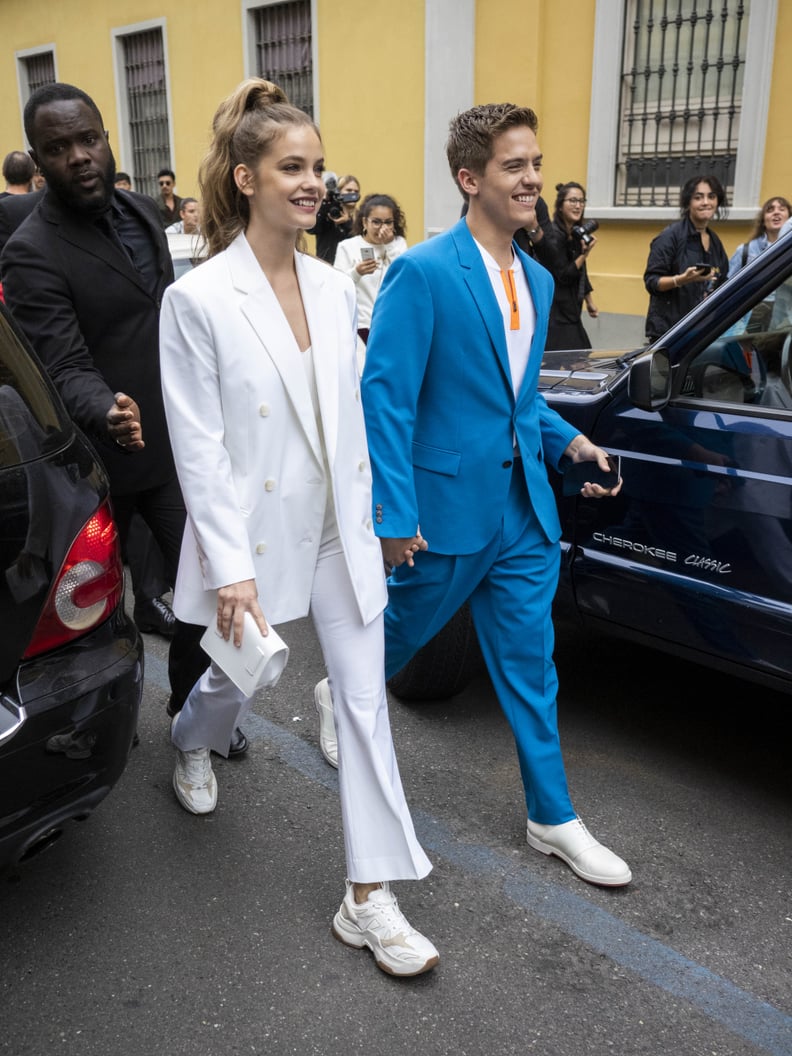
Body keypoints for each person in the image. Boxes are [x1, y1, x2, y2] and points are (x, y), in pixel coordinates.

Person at [158, 77, 438, 977]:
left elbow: (357, 417)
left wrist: (389, 516)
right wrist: (230, 568)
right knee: (237, 686)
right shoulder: (198, 299)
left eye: (319, 166)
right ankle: (190, 743)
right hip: (257, 536)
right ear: (246, 178)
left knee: (363, 706)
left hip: (338, 530)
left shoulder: (332, 284)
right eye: (292, 167)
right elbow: (198, 450)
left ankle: (370, 899)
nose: (314, 182)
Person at [314, 102, 632, 889]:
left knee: (533, 665)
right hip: (444, 513)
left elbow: (518, 401)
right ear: (470, 178)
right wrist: (393, 514)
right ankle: (337, 689)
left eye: (535, 163)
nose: (534, 180)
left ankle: (552, 816)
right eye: (515, 166)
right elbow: (384, 400)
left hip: (523, 510)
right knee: (403, 634)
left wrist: (572, 440)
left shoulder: (539, 274)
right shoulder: (421, 271)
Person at [0, 82, 212, 740]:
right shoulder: (31, 250)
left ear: (106, 138)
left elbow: (164, 315)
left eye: (88, 139)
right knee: (89, 614)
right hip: (96, 466)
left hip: (175, 450)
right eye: (60, 148)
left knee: (205, 593)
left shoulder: (146, 210)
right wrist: (107, 408)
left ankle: (189, 714)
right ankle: (87, 734)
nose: (80, 157)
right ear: (39, 161)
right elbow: (61, 364)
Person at [643, 173, 729, 343]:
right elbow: (651, 281)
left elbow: (722, 280)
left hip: (702, 330)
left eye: (711, 196)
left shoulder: (715, 241)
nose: (706, 202)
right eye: (698, 197)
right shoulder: (670, 237)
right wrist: (681, 280)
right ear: (688, 202)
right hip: (670, 333)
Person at [334, 193, 408, 370]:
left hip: (392, 326)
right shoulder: (347, 246)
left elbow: (405, 278)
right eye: (376, 222)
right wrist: (357, 272)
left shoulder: (398, 245)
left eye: (388, 222)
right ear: (364, 222)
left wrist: (388, 246)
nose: (382, 228)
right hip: (360, 328)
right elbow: (336, 286)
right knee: (362, 376)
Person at [544, 181, 598, 351]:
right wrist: (585, 254)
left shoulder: (576, 233)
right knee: (575, 359)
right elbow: (564, 275)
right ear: (560, 206)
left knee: (578, 359)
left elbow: (582, 270)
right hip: (557, 312)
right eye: (573, 201)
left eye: (581, 201)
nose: (578, 206)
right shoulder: (553, 235)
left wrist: (590, 301)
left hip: (572, 309)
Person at [727, 196, 792, 334]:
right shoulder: (745, 251)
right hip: (750, 321)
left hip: (785, 318)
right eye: (770, 210)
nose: (776, 212)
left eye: (782, 209)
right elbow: (727, 289)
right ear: (763, 220)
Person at [308, 172, 360, 263]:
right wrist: (324, 202)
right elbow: (312, 229)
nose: (352, 194)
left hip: (350, 267)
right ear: (338, 192)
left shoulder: (360, 216)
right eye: (348, 190)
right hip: (326, 266)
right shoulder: (327, 210)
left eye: (356, 192)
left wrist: (347, 223)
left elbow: (360, 242)